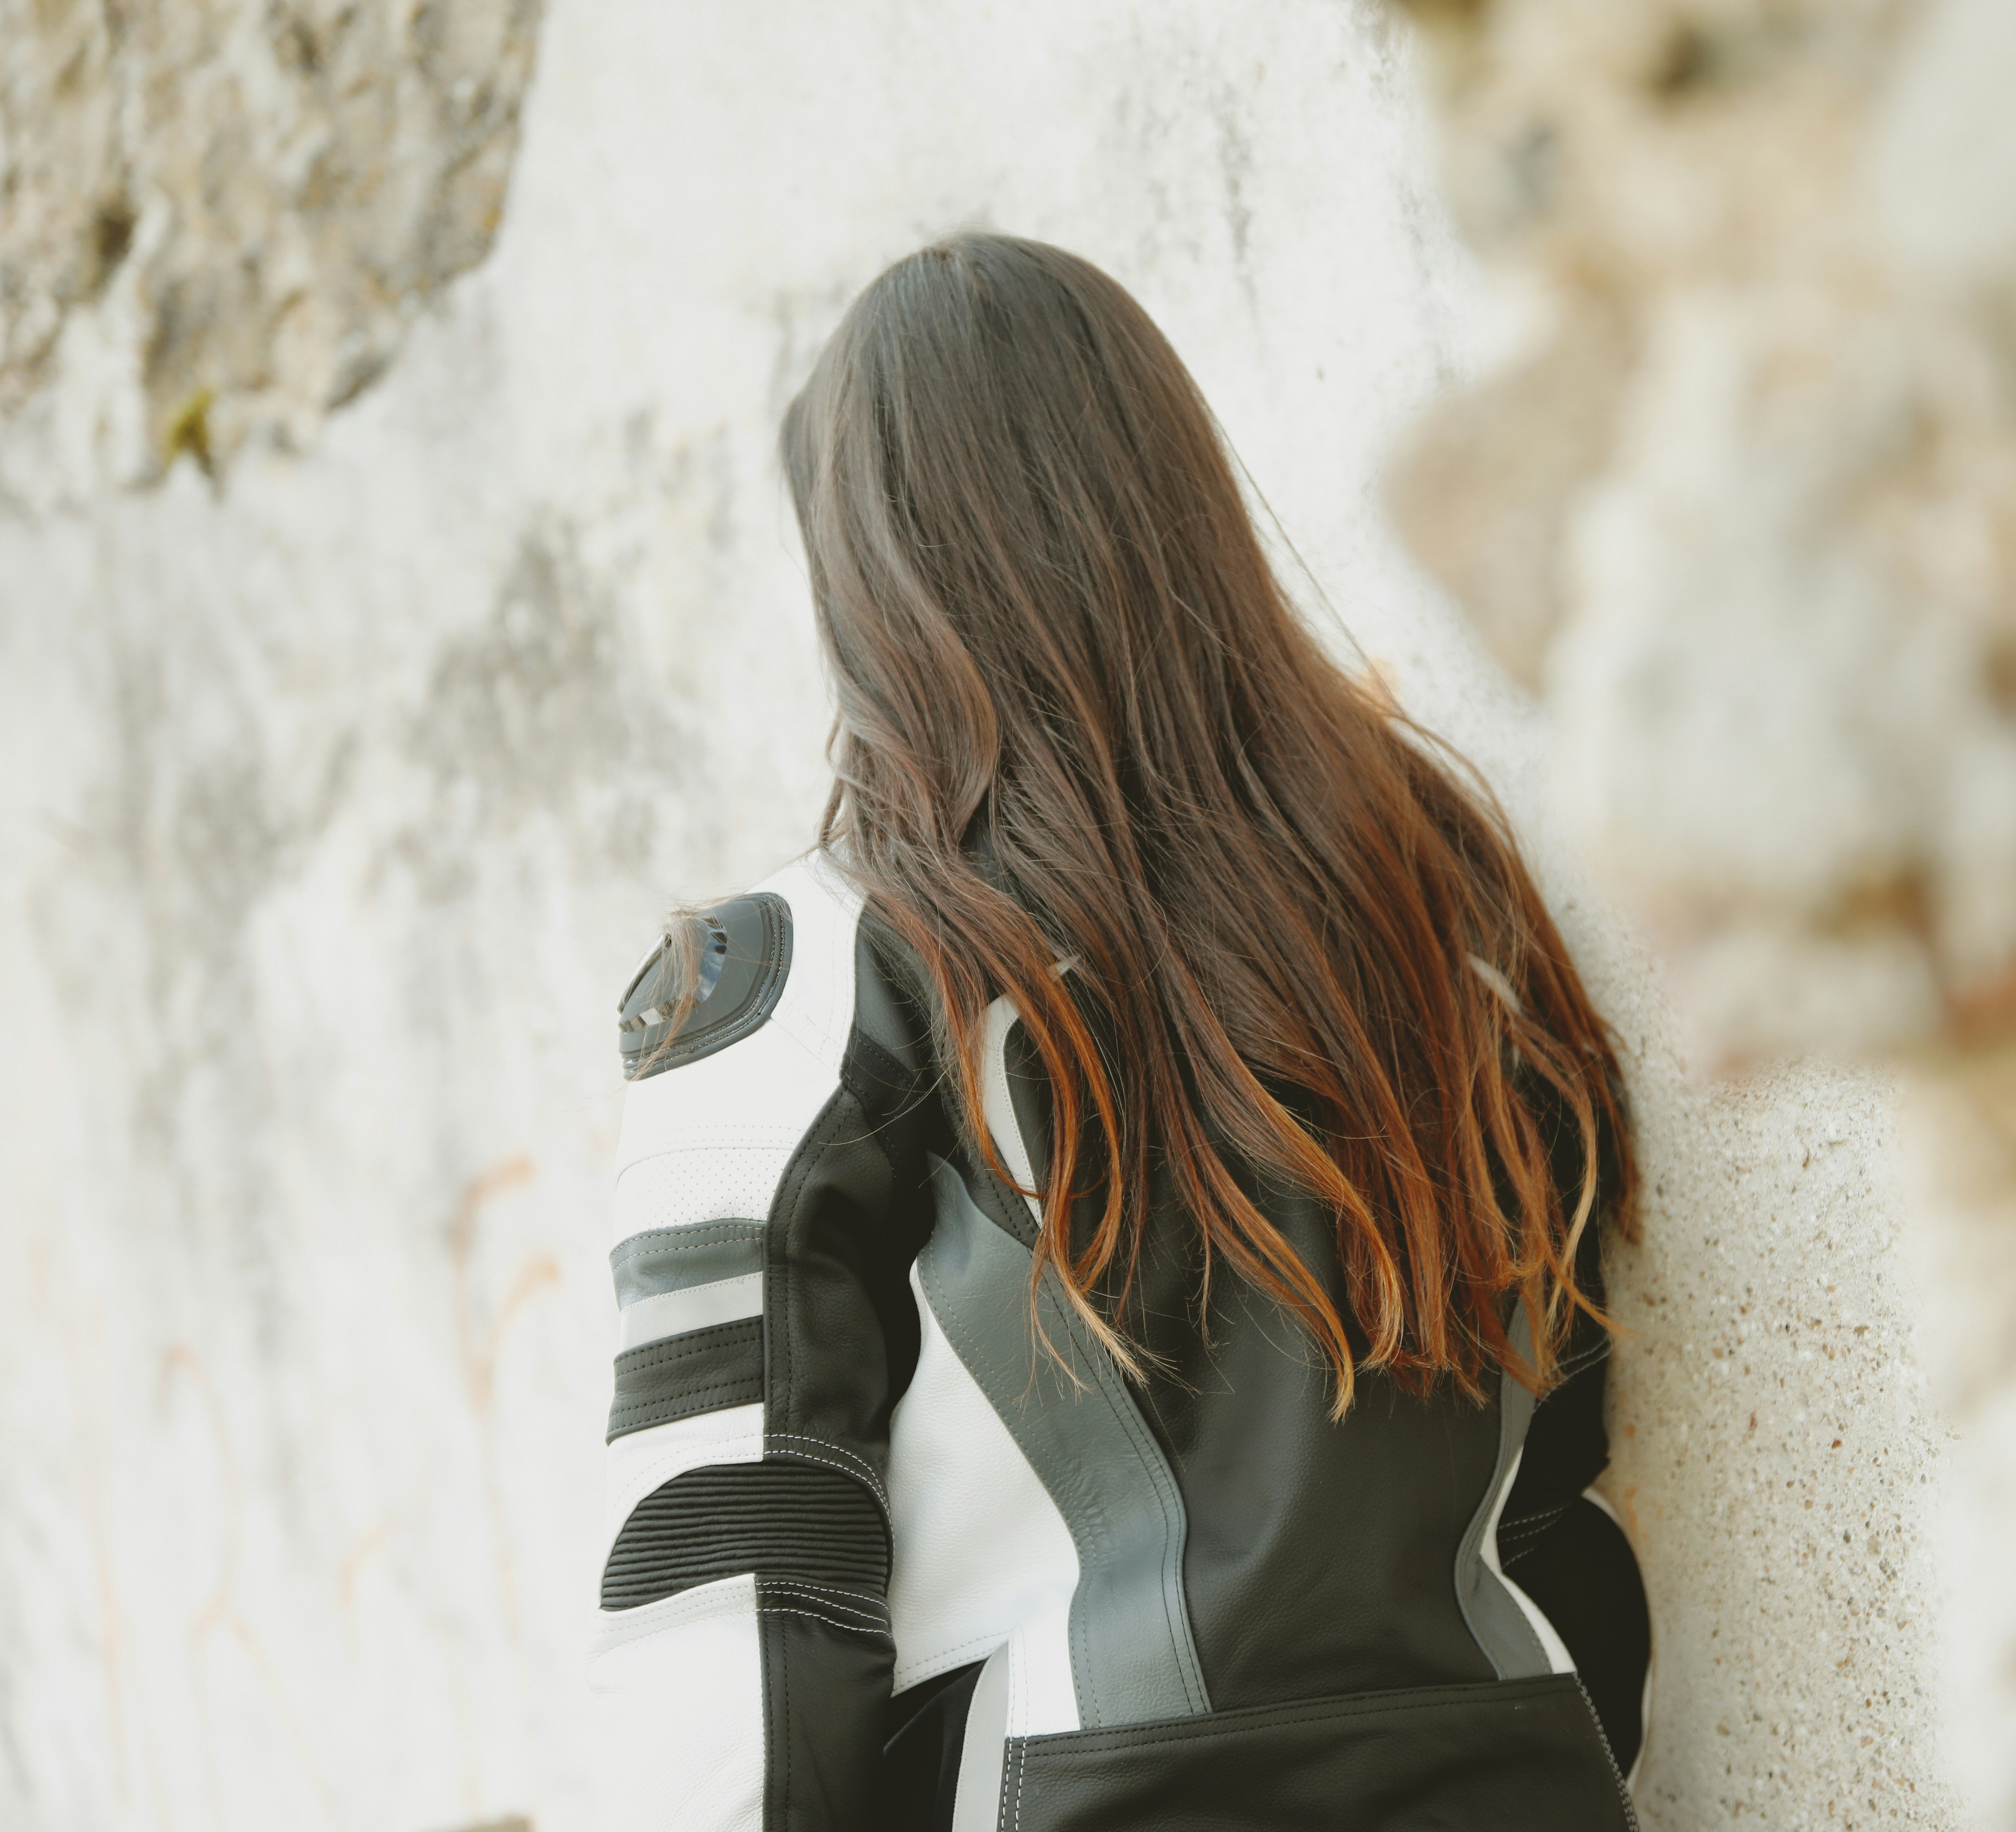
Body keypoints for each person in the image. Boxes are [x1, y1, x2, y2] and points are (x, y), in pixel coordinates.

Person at [588, 233, 1651, 1831]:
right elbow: (1559, 1494)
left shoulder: (796, 981)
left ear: (865, 583)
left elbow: (734, 1630)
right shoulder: (1452, 909)